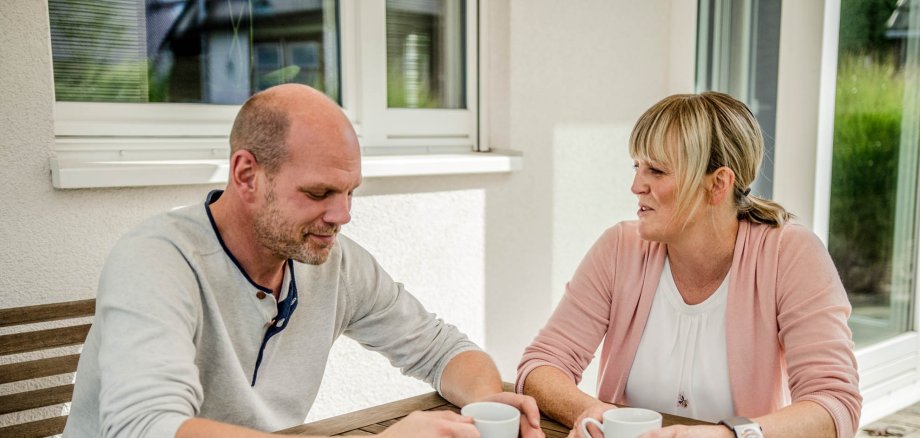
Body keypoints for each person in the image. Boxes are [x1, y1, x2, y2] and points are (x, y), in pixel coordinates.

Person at [64, 84, 543, 438]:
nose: (343, 215)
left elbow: (443, 349)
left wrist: (485, 403)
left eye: (351, 191)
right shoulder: (156, 262)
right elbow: (148, 427)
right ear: (247, 174)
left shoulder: (332, 263)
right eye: (319, 193)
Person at [515, 92, 861, 438]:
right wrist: (593, 413)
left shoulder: (790, 254)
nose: (636, 186)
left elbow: (834, 405)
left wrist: (729, 437)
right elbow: (541, 365)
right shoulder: (619, 248)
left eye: (657, 170)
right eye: (637, 166)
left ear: (718, 184)